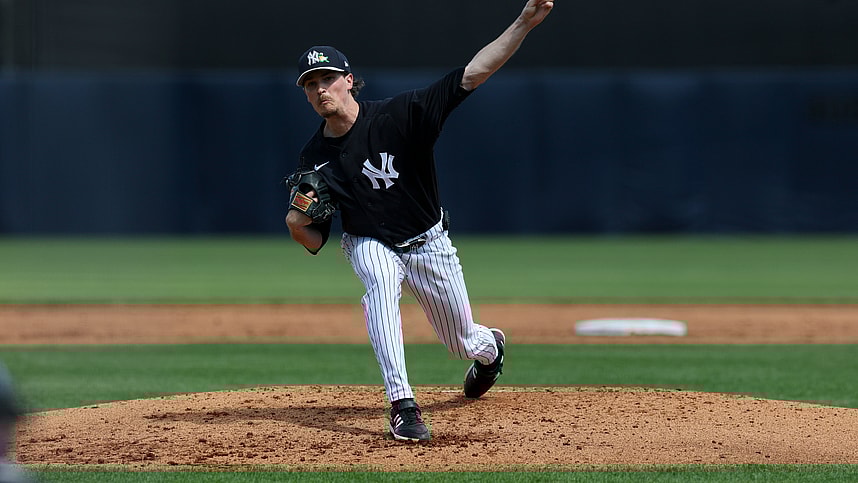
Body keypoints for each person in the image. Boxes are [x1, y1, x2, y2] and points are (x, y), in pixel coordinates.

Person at [285, 0, 555, 442]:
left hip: (429, 242)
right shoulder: (314, 157)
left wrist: (523, 23)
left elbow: (473, 74)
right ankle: (403, 405)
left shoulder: (401, 115)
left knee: (462, 340)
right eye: (310, 84)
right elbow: (313, 234)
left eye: (328, 79)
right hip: (369, 240)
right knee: (379, 286)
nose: (320, 90)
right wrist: (297, 226)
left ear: (349, 80)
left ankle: (490, 352)